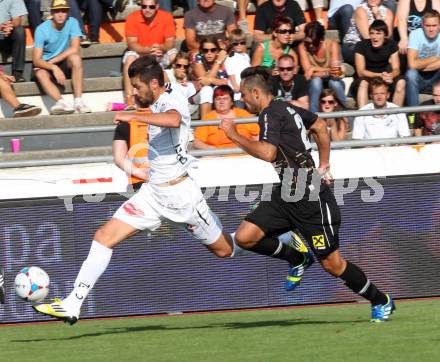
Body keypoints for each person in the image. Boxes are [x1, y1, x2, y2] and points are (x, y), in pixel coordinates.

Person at [219, 66, 395, 322]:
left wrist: (233, 134)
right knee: (246, 237)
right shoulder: (287, 107)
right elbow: (320, 126)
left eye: (243, 95)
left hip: (311, 196)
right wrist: (324, 164)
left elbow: (268, 153)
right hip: (290, 188)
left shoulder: (270, 113)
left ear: (255, 92)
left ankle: (381, 300)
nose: (242, 100)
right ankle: (298, 258)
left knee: (332, 264)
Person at [32, 0, 91, 115]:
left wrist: (54, 62)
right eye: (57, 11)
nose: (60, 14)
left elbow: (75, 48)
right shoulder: (41, 29)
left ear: (68, 12)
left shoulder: (72, 22)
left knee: (76, 58)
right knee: (40, 74)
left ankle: (78, 101)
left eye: (63, 11)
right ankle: (61, 102)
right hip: (45, 64)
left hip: (59, 61)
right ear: (52, 13)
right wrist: (53, 67)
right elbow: (37, 60)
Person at [123, 0, 177, 110]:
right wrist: (148, 50)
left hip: (160, 52)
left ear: (157, 6)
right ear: (140, 6)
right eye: (144, 6)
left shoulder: (166, 17)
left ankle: (176, 94)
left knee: (175, 55)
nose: (147, 9)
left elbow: (170, 43)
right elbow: (131, 44)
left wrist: (160, 48)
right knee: (130, 58)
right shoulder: (132, 18)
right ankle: (130, 99)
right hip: (140, 54)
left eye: (151, 7)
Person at [298, 21, 347, 113]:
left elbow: (336, 73)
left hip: (333, 80)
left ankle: (346, 113)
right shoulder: (303, 47)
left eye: (315, 43)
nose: (311, 46)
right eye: (308, 42)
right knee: (316, 82)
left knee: (334, 83)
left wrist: (314, 69)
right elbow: (308, 74)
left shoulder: (332, 45)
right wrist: (327, 71)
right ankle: (314, 116)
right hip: (313, 84)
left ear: (322, 40)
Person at [354, 20, 405, 107]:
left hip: (385, 76)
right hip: (367, 78)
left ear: (385, 35)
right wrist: (380, 75)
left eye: (378, 33)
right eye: (372, 33)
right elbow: (361, 72)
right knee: (363, 83)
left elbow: (396, 69)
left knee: (401, 81)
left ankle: (396, 116)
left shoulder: (391, 44)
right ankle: (362, 118)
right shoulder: (361, 46)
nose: (374, 37)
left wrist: (391, 76)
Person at [193, 84, 259, 149]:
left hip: (244, 154)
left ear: (231, 102)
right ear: (214, 102)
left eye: (225, 98)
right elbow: (197, 142)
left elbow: (258, 135)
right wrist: (213, 150)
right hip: (218, 157)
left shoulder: (243, 114)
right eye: (218, 99)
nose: (221, 102)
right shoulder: (208, 118)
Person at [342, 0, 394, 66]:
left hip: (377, 46)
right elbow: (367, 37)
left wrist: (377, 15)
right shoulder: (360, 10)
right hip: (354, 45)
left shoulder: (388, 12)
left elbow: (387, 36)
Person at [406, 10, 440, 107]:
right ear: (422, 25)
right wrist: (433, 58)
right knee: (411, 74)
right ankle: (413, 116)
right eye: (428, 26)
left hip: (436, 76)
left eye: (434, 25)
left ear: (439, 25)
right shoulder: (415, 34)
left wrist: (419, 64)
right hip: (418, 78)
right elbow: (412, 64)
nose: (431, 29)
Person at [113, 110, 151, 192]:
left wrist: (140, 173)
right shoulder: (169, 120)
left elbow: (119, 159)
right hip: (167, 181)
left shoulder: (125, 125)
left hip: (140, 182)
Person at [192, 36, 229, 119]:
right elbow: (204, 82)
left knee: (218, 90)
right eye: (205, 50)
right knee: (207, 90)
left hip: (218, 92)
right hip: (199, 93)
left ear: (217, 50)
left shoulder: (225, 59)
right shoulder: (198, 58)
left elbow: (226, 82)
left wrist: (211, 80)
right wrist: (218, 62)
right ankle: (205, 126)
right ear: (201, 51)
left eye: (213, 50)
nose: (209, 53)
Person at [0, 0, 27, 82]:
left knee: (20, 31)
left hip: (7, 35)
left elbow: (17, 19)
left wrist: (9, 26)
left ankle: (17, 73)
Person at [224, 28, 251, 107]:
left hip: (247, 90)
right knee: (239, 112)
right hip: (237, 94)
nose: (239, 45)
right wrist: (236, 86)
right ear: (231, 43)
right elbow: (231, 73)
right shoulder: (230, 58)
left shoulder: (246, 56)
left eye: (242, 43)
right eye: (236, 43)